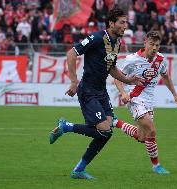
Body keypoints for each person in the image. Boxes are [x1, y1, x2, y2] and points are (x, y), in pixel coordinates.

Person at [49, 7, 143, 180]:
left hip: (101, 92)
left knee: (106, 134)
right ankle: (66, 127)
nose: (125, 26)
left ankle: (78, 170)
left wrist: (128, 80)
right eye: (122, 22)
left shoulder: (117, 43)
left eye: (126, 23)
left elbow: (112, 67)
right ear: (111, 23)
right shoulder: (97, 38)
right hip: (88, 91)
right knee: (104, 130)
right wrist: (73, 81)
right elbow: (71, 53)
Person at [113, 31, 177, 174]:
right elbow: (117, 78)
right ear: (145, 43)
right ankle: (156, 166)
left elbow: (166, 77)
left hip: (149, 101)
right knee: (152, 130)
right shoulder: (132, 60)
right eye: (152, 44)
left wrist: (175, 95)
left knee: (142, 137)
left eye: (157, 45)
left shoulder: (161, 60)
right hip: (134, 98)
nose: (154, 48)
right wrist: (124, 93)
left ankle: (115, 122)